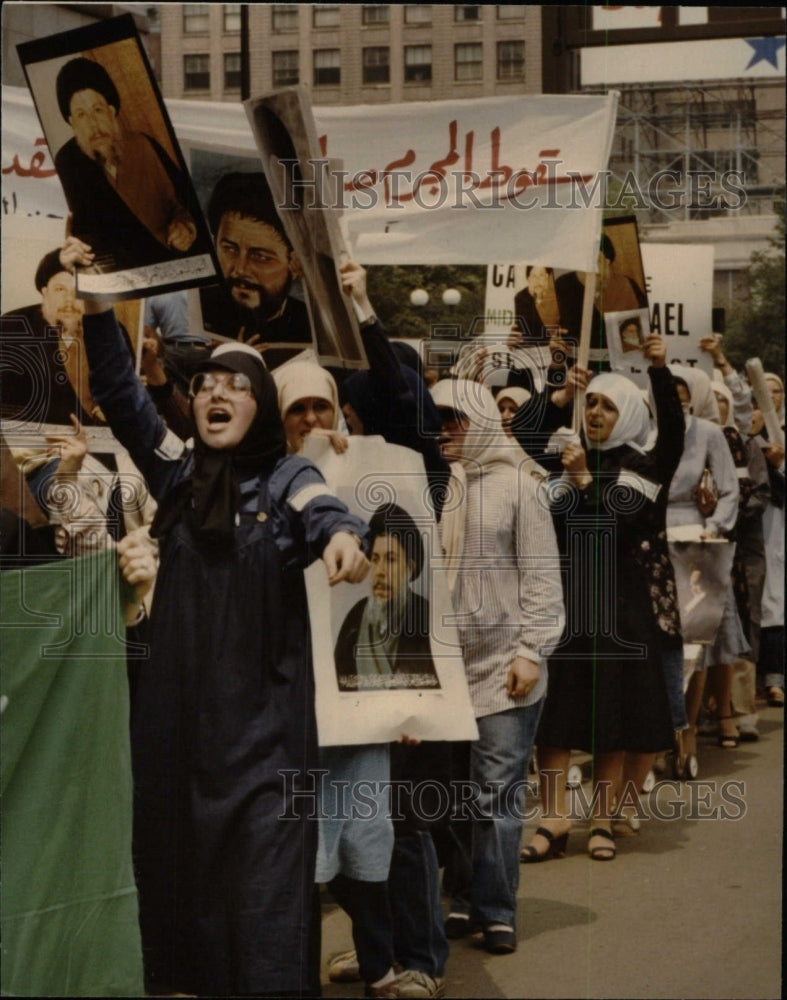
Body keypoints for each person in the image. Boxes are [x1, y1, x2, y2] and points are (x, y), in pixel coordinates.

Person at [75, 249, 370, 995]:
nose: (215, 396)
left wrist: (343, 541)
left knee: (265, 898)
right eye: (204, 385)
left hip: (265, 744)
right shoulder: (176, 470)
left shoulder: (287, 476)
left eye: (236, 388)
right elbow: (118, 391)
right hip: (177, 735)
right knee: (179, 888)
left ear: (259, 406)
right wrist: (98, 302)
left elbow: (326, 514)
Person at [526, 336, 682, 863]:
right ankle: (552, 818)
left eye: (607, 405)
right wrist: (557, 396)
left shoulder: (639, 467)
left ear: (631, 416)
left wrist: (583, 479)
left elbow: (610, 525)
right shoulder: (565, 451)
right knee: (554, 716)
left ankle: (603, 819)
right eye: (591, 401)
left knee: (609, 715)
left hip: (618, 608)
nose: (595, 412)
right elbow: (522, 441)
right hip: (562, 604)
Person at [431, 377, 564, 953]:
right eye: (438, 421)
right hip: (446, 665)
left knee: (496, 792)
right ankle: (461, 899)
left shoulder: (519, 485)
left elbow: (541, 576)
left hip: (505, 664)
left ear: (482, 420)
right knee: (457, 794)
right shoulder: (441, 485)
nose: (446, 432)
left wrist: (532, 651)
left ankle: (496, 908)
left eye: (456, 419)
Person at [53, 57, 199, 271]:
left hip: (170, 267)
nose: (93, 124)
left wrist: (187, 227)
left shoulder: (143, 145)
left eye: (98, 110)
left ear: (112, 112)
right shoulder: (67, 163)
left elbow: (185, 203)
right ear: (72, 123)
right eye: (81, 115)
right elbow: (79, 237)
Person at [666, 364, 742, 754]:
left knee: (693, 643)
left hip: (694, 535)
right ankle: (656, 733)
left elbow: (729, 489)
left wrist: (713, 527)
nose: (674, 405)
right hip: (650, 533)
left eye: (680, 399)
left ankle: (688, 729)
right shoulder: (642, 431)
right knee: (658, 643)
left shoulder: (709, 433)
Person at [199, 171, 312, 368]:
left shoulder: (310, 325)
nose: (240, 269)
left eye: (260, 257)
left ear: (296, 265)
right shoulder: (202, 309)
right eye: (230, 249)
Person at [334, 504, 439, 691]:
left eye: (390, 559)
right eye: (375, 559)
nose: (379, 572)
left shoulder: (427, 618)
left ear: (410, 567)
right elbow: (338, 687)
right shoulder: (355, 619)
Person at [1, 249, 101, 426]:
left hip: (98, 441)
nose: (69, 300)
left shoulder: (110, 332)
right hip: (34, 443)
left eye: (78, 291)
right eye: (60, 289)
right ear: (45, 291)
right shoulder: (12, 328)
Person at [513, 265, 560, 343]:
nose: (537, 281)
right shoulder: (521, 299)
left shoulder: (556, 296)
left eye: (541, 276)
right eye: (534, 276)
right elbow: (524, 333)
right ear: (528, 279)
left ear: (547, 278)